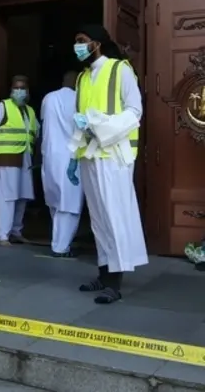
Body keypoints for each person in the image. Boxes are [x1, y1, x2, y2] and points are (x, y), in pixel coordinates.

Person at [67, 24, 148, 304]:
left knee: (114, 216)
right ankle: (103, 273)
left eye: (82, 40)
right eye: (76, 41)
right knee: (99, 219)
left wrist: (102, 127)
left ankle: (115, 282)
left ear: (97, 43)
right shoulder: (83, 78)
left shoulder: (119, 69)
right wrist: (73, 157)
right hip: (89, 155)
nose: (77, 45)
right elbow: (80, 118)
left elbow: (135, 110)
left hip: (114, 154)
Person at [0, 75, 39, 246]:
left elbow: (36, 133)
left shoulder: (30, 111)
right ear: (11, 90)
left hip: (25, 157)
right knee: (7, 197)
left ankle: (16, 231)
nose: (19, 91)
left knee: (23, 196)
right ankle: (2, 235)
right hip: (7, 157)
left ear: (27, 91)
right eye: (16, 88)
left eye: (22, 88)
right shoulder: (3, 106)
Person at [41, 70, 84, 258]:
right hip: (71, 156)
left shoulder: (48, 98)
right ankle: (61, 246)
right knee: (70, 203)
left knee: (55, 201)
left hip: (50, 155)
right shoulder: (80, 100)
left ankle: (58, 241)